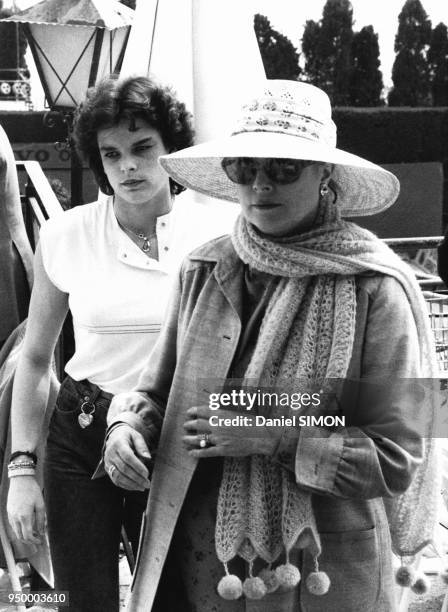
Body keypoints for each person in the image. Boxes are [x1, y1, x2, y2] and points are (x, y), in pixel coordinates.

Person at [104, 80, 438, 611]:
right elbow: (156, 395)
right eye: (245, 167)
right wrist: (126, 427)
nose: (261, 184)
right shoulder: (205, 269)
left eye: (284, 168)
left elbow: (397, 456)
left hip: (325, 572)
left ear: (325, 175)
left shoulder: (376, 288)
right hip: (203, 564)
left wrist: (268, 434)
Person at [6, 74, 200, 612]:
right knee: (81, 600)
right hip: (83, 427)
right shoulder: (65, 235)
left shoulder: (213, 232)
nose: (128, 167)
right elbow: (36, 355)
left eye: (143, 148)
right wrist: (22, 470)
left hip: (170, 433)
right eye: (111, 154)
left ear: (172, 151)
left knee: (171, 599)